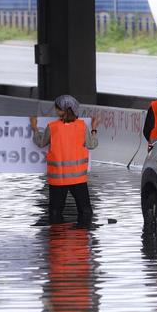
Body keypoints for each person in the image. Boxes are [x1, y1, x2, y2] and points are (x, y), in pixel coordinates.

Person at [30, 95, 98, 224]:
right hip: (78, 178)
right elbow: (92, 145)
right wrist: (94, 128)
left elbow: (40, 143)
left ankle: (57, 238)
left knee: (55, 212)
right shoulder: (82, 126)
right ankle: (82, 236)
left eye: (56, 108)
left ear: (62, 110)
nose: (55, 111)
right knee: (85, 211)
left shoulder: (52, 127)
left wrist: (34, 128)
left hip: (58, 179)